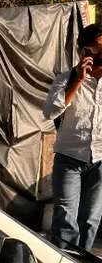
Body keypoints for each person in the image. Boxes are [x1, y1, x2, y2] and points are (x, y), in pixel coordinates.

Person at [43, 23, 102, 250]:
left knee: (90, 219)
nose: (97, 55)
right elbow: (50, 112)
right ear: (84, 51)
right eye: (93, 50)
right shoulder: (67, 78)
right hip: (69, 158)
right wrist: (77, 80)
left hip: (100, 161)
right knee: (65, 218)